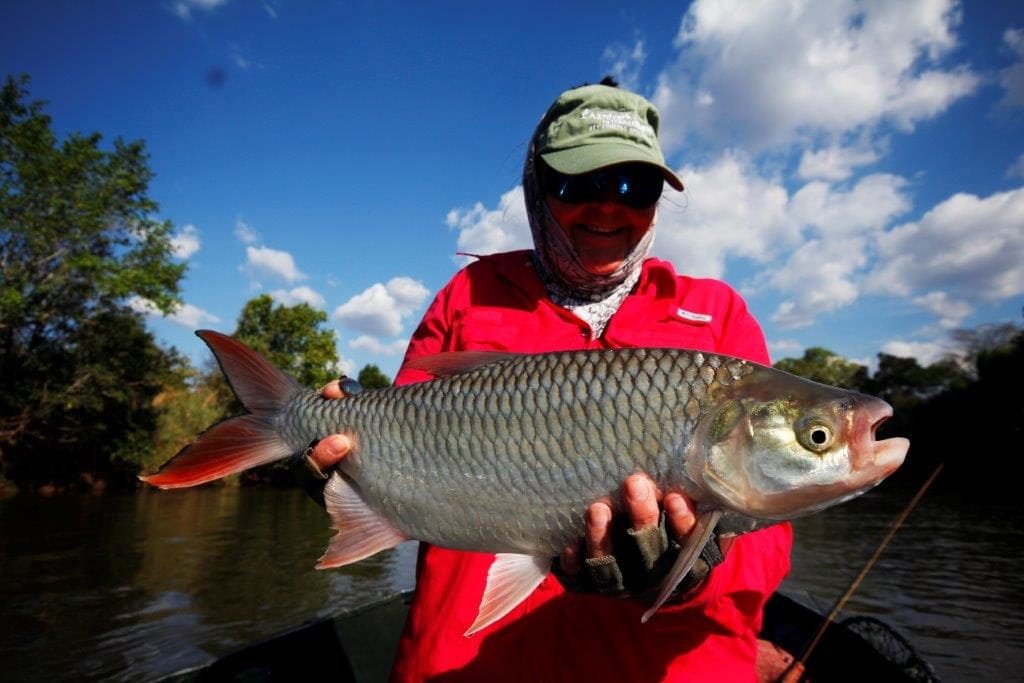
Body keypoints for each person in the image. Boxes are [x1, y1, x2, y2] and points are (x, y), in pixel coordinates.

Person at [304, 77, 793, 682]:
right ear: (537, 188)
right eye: (579, 183)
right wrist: (352, 473)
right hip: (466, 667)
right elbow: (404, 451)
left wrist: (695, 570)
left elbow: (769, 529)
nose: (609, 204)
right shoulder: (467, 298)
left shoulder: (720, 315)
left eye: (634, 185)